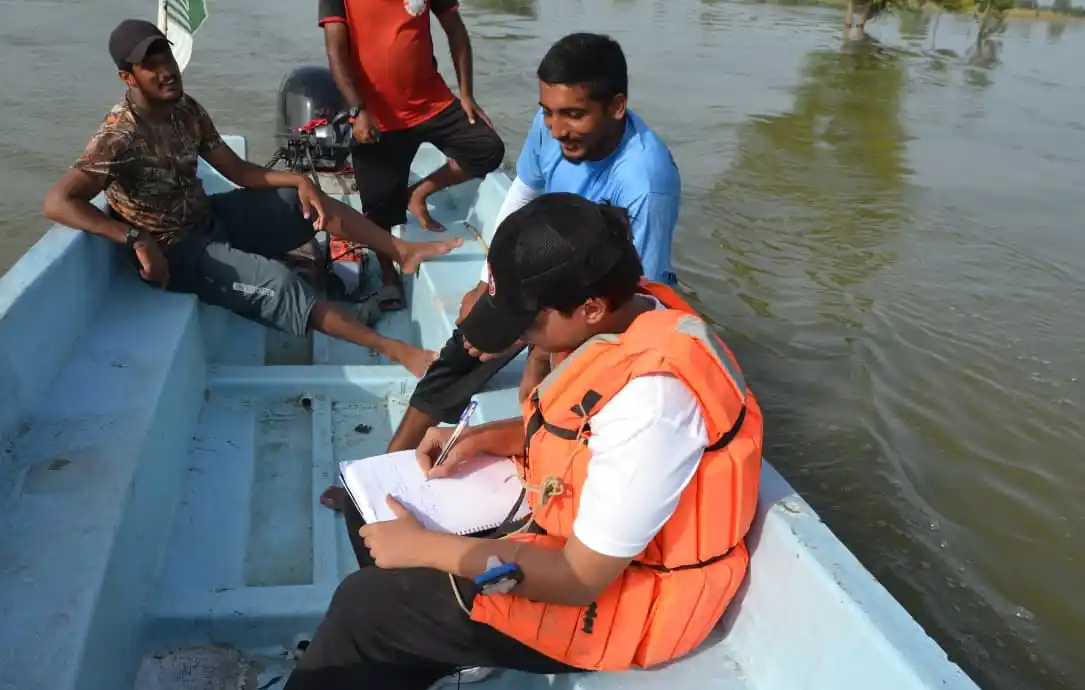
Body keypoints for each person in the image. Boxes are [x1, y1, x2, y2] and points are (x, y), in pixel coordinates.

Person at [226, 193, 762, 690]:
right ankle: (421, 661)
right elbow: (577, 436)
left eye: (529, 322)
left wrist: (425, 549)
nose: (522, 336)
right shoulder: (623, 320)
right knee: (377, 501)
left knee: (367, 607)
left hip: (623, 604)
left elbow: (581, 578)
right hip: (575, 540)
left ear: (590, 306)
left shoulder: (653, 403)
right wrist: (485, 439)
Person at [43, 20, 460, 377]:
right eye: (150, 66)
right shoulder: (118, 135)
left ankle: (400, 250)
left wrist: (298, 182)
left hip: (211, 216)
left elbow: (237, 171)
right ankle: (396, 350)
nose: (166, 72)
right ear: (127, 77)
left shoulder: (185, 108)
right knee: (279, 282)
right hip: (180, 252)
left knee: (301, 199)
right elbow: (59, 202)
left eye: (166, 59)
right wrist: (133, 236)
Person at [386, 31, 682, 454]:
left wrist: (536, 346)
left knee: (562, 400)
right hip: (545, 269)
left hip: (601, 305)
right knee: (464, 348)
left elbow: (631, 296)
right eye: (548, 112)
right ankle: (384, 468)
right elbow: (522, 196)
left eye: (574, 115)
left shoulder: (645, 184)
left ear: (617, 107)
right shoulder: (552, 126)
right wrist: (491, 285)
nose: (557, 130)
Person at [319, 0, 505, 233]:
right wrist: (358, 109)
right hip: (377, 117)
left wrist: (466, 94)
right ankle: (387, 270)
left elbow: (455, 29)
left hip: (432, 103)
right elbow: (335, 51)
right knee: (379, 214)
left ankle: (418, 193)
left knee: (487, 149)